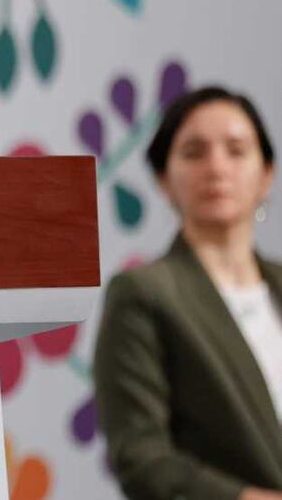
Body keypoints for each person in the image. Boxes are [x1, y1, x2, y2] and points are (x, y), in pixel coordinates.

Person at [94, 86, 282, 500]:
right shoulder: (143, 294)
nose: (217, 167)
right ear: (164, 179)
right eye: (194, 153)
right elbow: (142, 456)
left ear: (266, 173)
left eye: (236, 150)